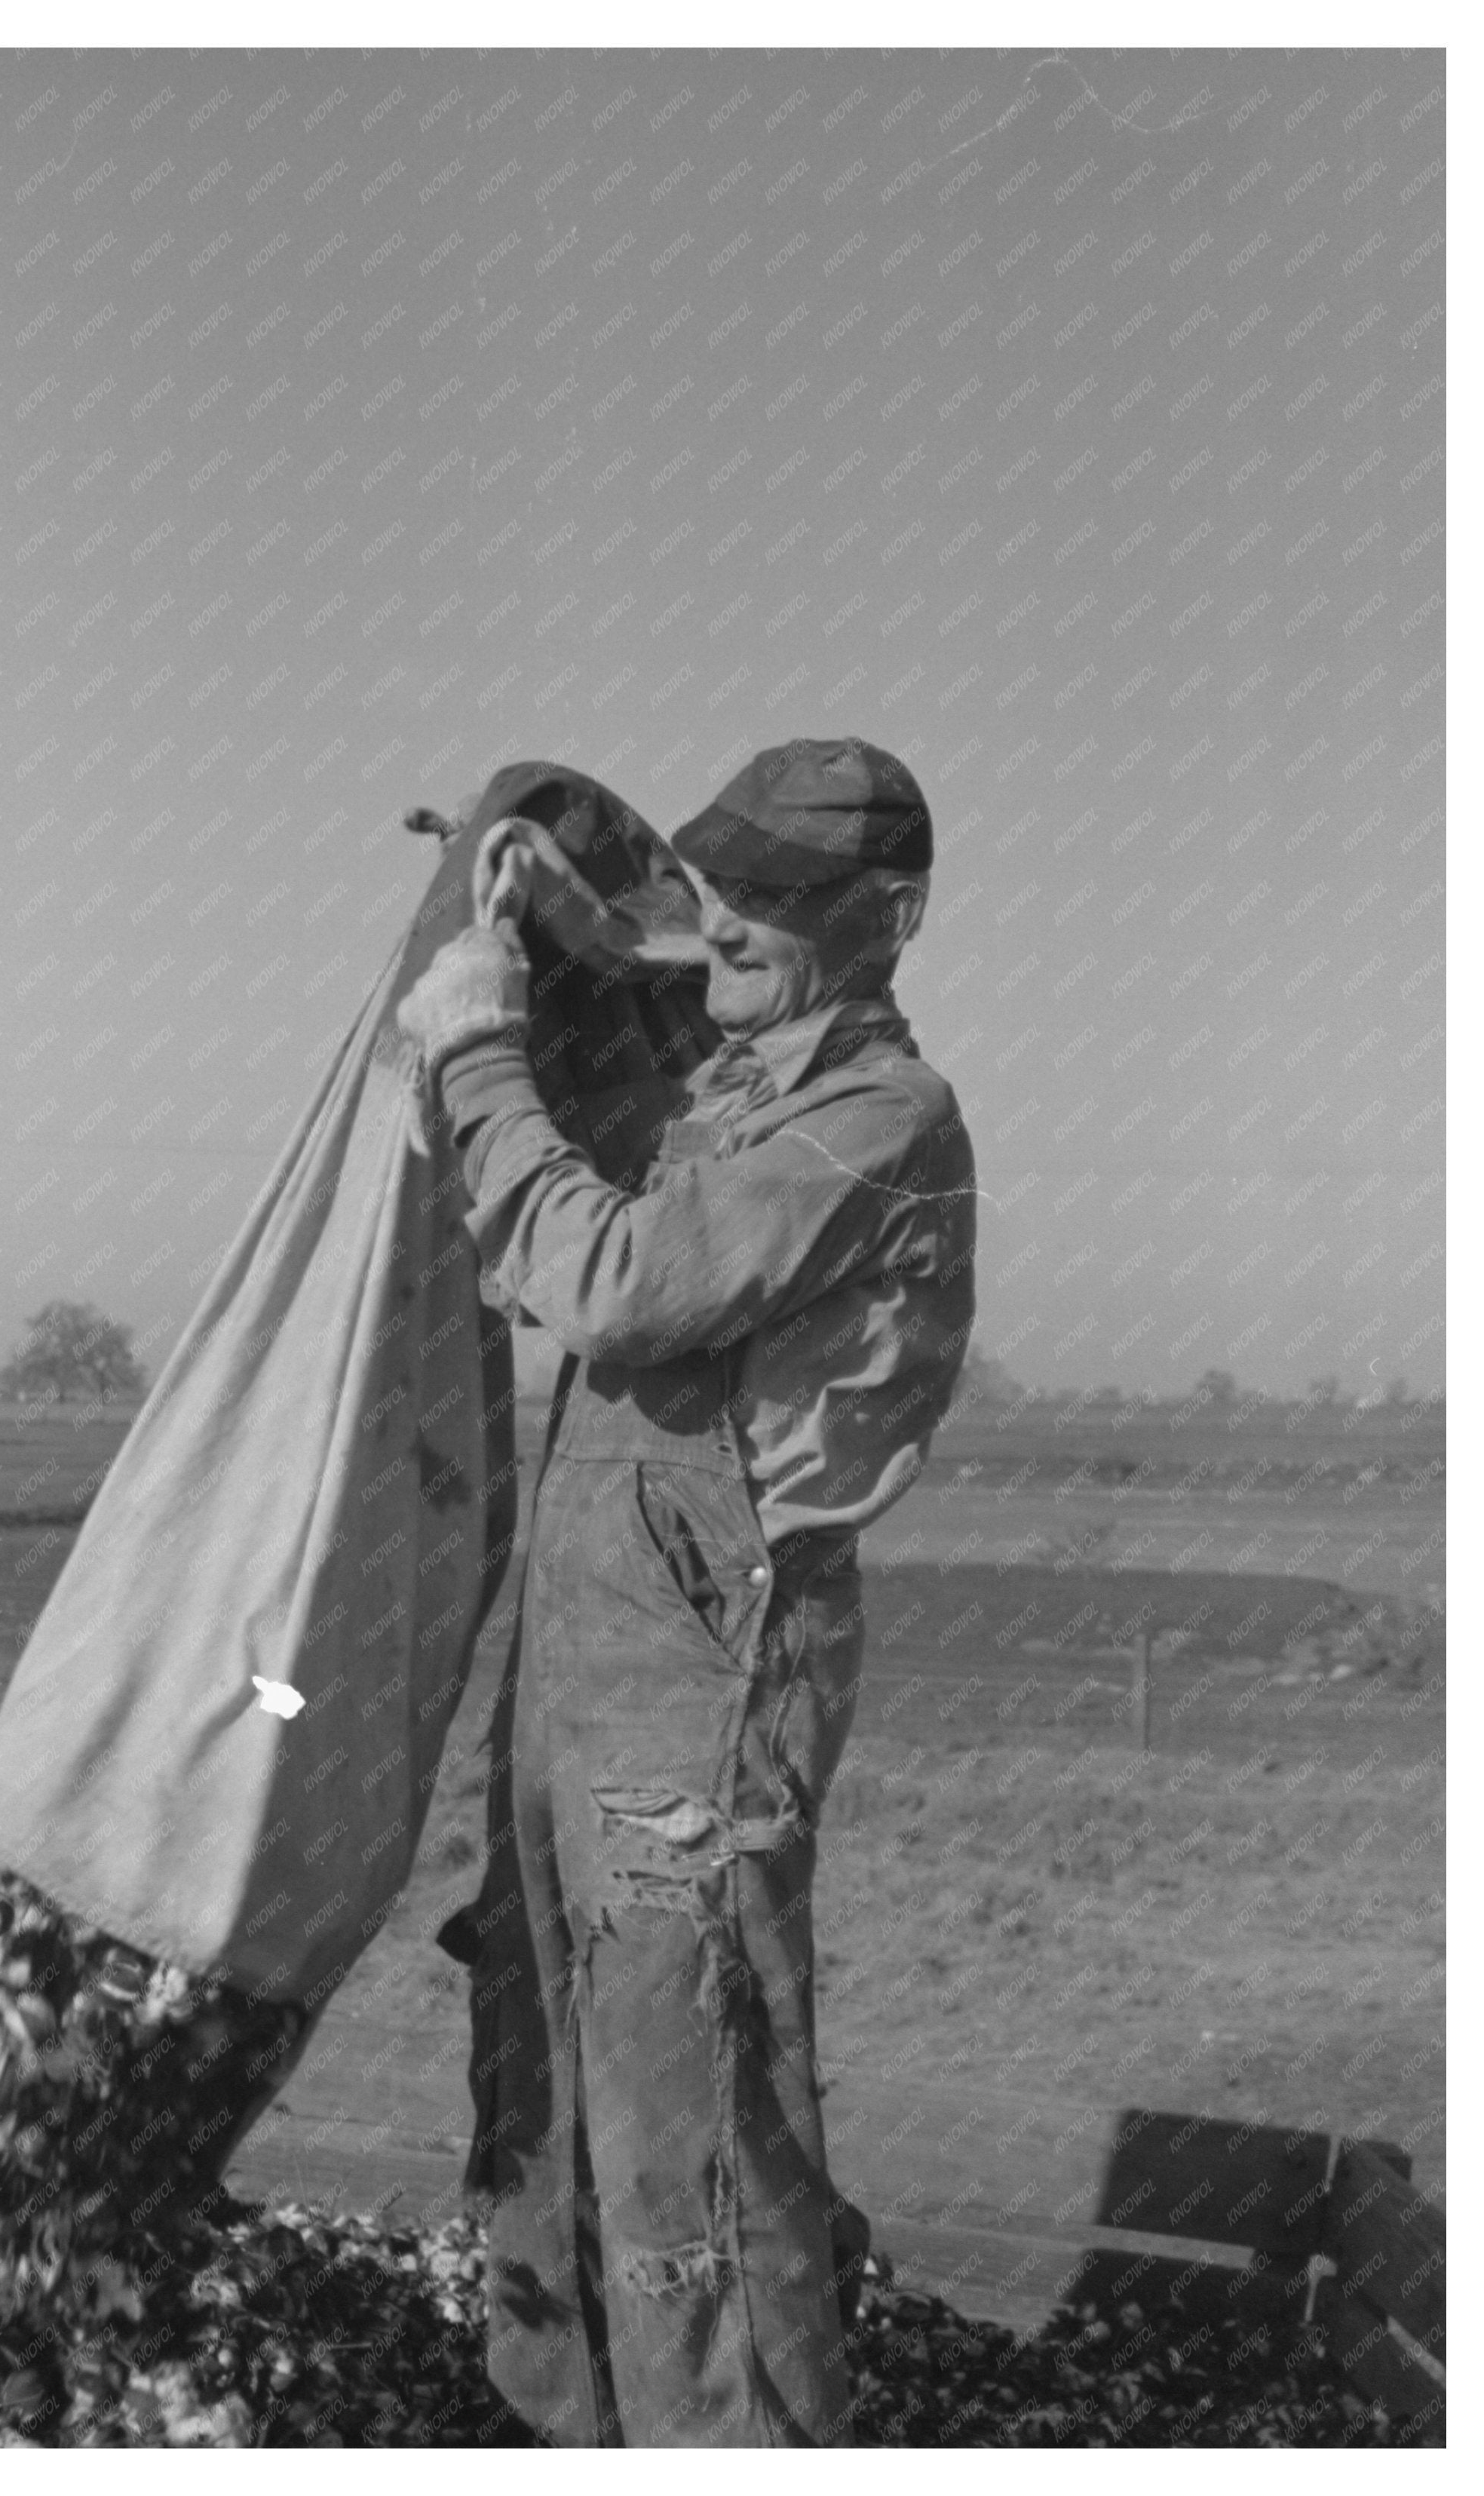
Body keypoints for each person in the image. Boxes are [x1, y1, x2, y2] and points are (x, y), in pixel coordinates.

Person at [396, 736, 979, 2448]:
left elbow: (625, 1280)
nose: (724, 926)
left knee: (694, 2126)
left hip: (707, 1677)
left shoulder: (875, 1119)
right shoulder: (727, 1070)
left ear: (888, 920)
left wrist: (480, 1051)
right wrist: (524, 889)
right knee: (556, 2053)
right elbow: (655, 947)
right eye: (723, 881)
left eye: (774, 905)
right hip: (589, 1648)